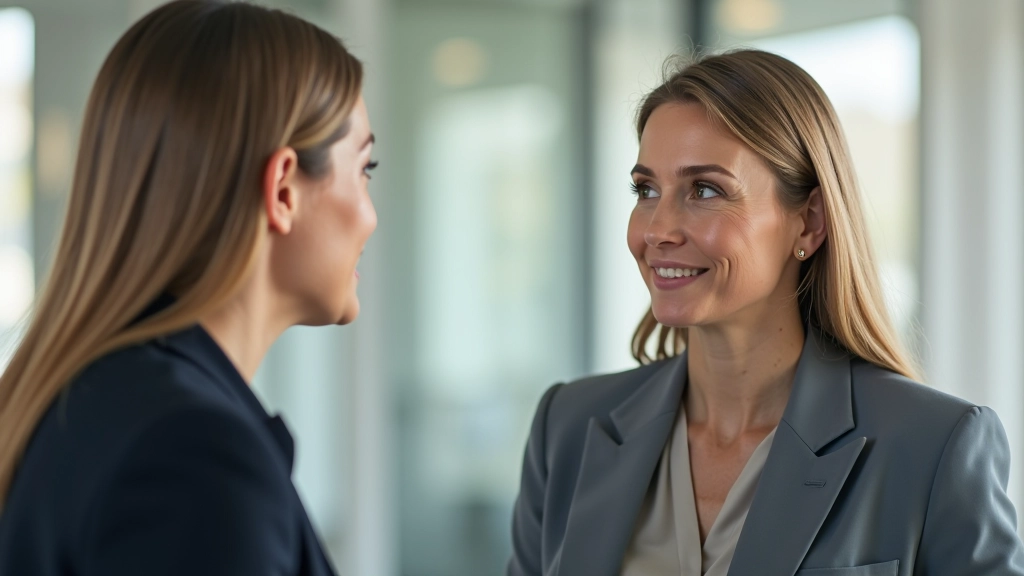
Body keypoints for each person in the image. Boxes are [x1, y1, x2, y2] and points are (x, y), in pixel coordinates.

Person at [507, 49, 1024, 576]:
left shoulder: (931, 445)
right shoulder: (568, 428)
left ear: (808, 222)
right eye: (647, 190)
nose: (657, 230)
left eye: (705, 190)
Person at [0, 2, 376, 574]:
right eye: (365, 168)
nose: (372, 216)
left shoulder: (83, 399)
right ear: (282, 191)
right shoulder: (195, 455)